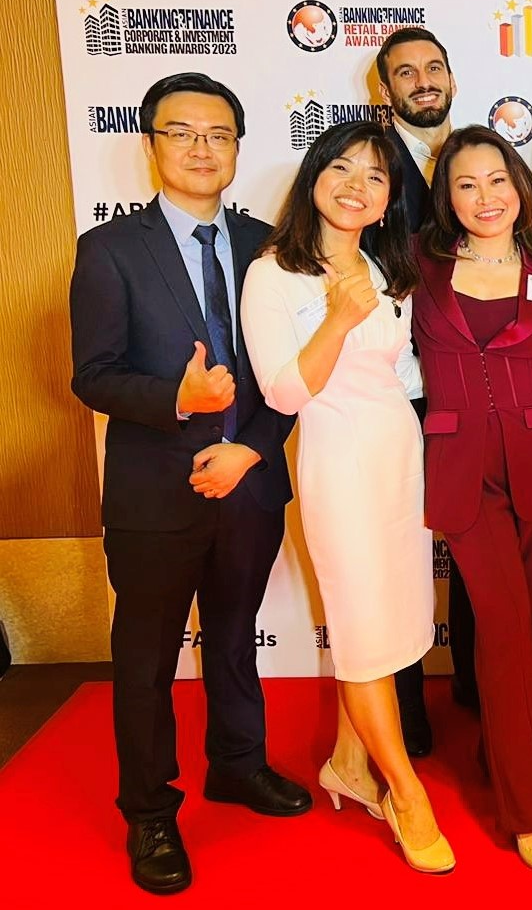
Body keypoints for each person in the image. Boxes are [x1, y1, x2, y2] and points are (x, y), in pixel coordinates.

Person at [69, 72, 310, 895]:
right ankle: (149, 810)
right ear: (152, 144)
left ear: (237, 146)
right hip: (155, 494)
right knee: (145, 660)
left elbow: (288, 379)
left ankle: (238, 764)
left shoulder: (270, 244)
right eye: (182, 132)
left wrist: (250, 449)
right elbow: (93, 374)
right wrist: (178, 397)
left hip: (250, 482)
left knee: (235, 636)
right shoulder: (108, 249)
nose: (201, 148)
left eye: (219, 134)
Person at [240, 120, 453, 873]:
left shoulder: (386, 269)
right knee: (363, 634)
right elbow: (284, 392)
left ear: (389, 198)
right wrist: (337, 316)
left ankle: (347, 762)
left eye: (375, 175)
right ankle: (405, 793)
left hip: (399, 462)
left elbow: (401, 376)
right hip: (338, 467)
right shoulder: (274, 273)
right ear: (314, 176)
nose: (356, 185)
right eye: (342, 168)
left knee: (391, 623)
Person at [413, 126, 532, 875]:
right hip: (461, 469)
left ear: (519, 187)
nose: (484, 197)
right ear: (446, 199)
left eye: (496, 180)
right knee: (504, 627)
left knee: (529, 624)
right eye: (466, 184)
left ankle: (502, 747)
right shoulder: (418, 266)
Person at [374, 26, 477, 755]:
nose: (423, 80)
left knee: (476, 541)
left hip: (475, 384)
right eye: (405, 72)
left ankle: (475, 682)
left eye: (433, 67)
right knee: (403, 549)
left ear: (452, 78)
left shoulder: (479, 160)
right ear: (386, 91)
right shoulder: (370, 167)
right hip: (400, 390)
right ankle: (408, 704)